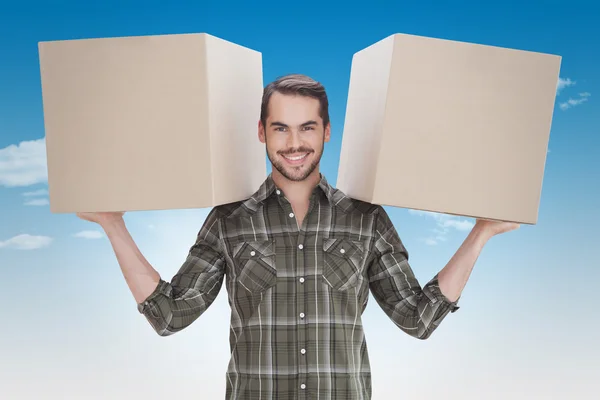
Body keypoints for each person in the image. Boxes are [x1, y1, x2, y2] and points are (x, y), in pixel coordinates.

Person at [77, 73, 520, 399]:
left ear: (326, 131)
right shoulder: (229, 221)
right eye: (280, 128)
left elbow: (418, 319)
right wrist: (112, 223)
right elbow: (168, 316)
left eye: (307, 127)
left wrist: (482, 232)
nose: (294, 143)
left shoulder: (366, 219)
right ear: (262, 133)